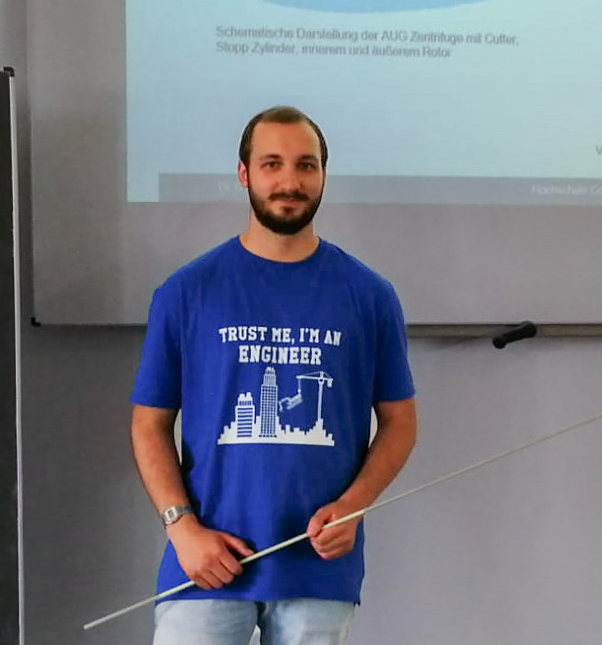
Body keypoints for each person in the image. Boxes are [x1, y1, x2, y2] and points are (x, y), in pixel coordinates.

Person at [130, 106, 417, 645]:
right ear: (244, 174)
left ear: (324, 175)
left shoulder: (369, 295)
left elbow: (400, 422)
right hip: (206, 566)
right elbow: (149, 425)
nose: (290, 181)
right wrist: (181, 528)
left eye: (306, 165)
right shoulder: (187, 291)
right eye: (272, 164)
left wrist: (353, 507)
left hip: (318, 569)